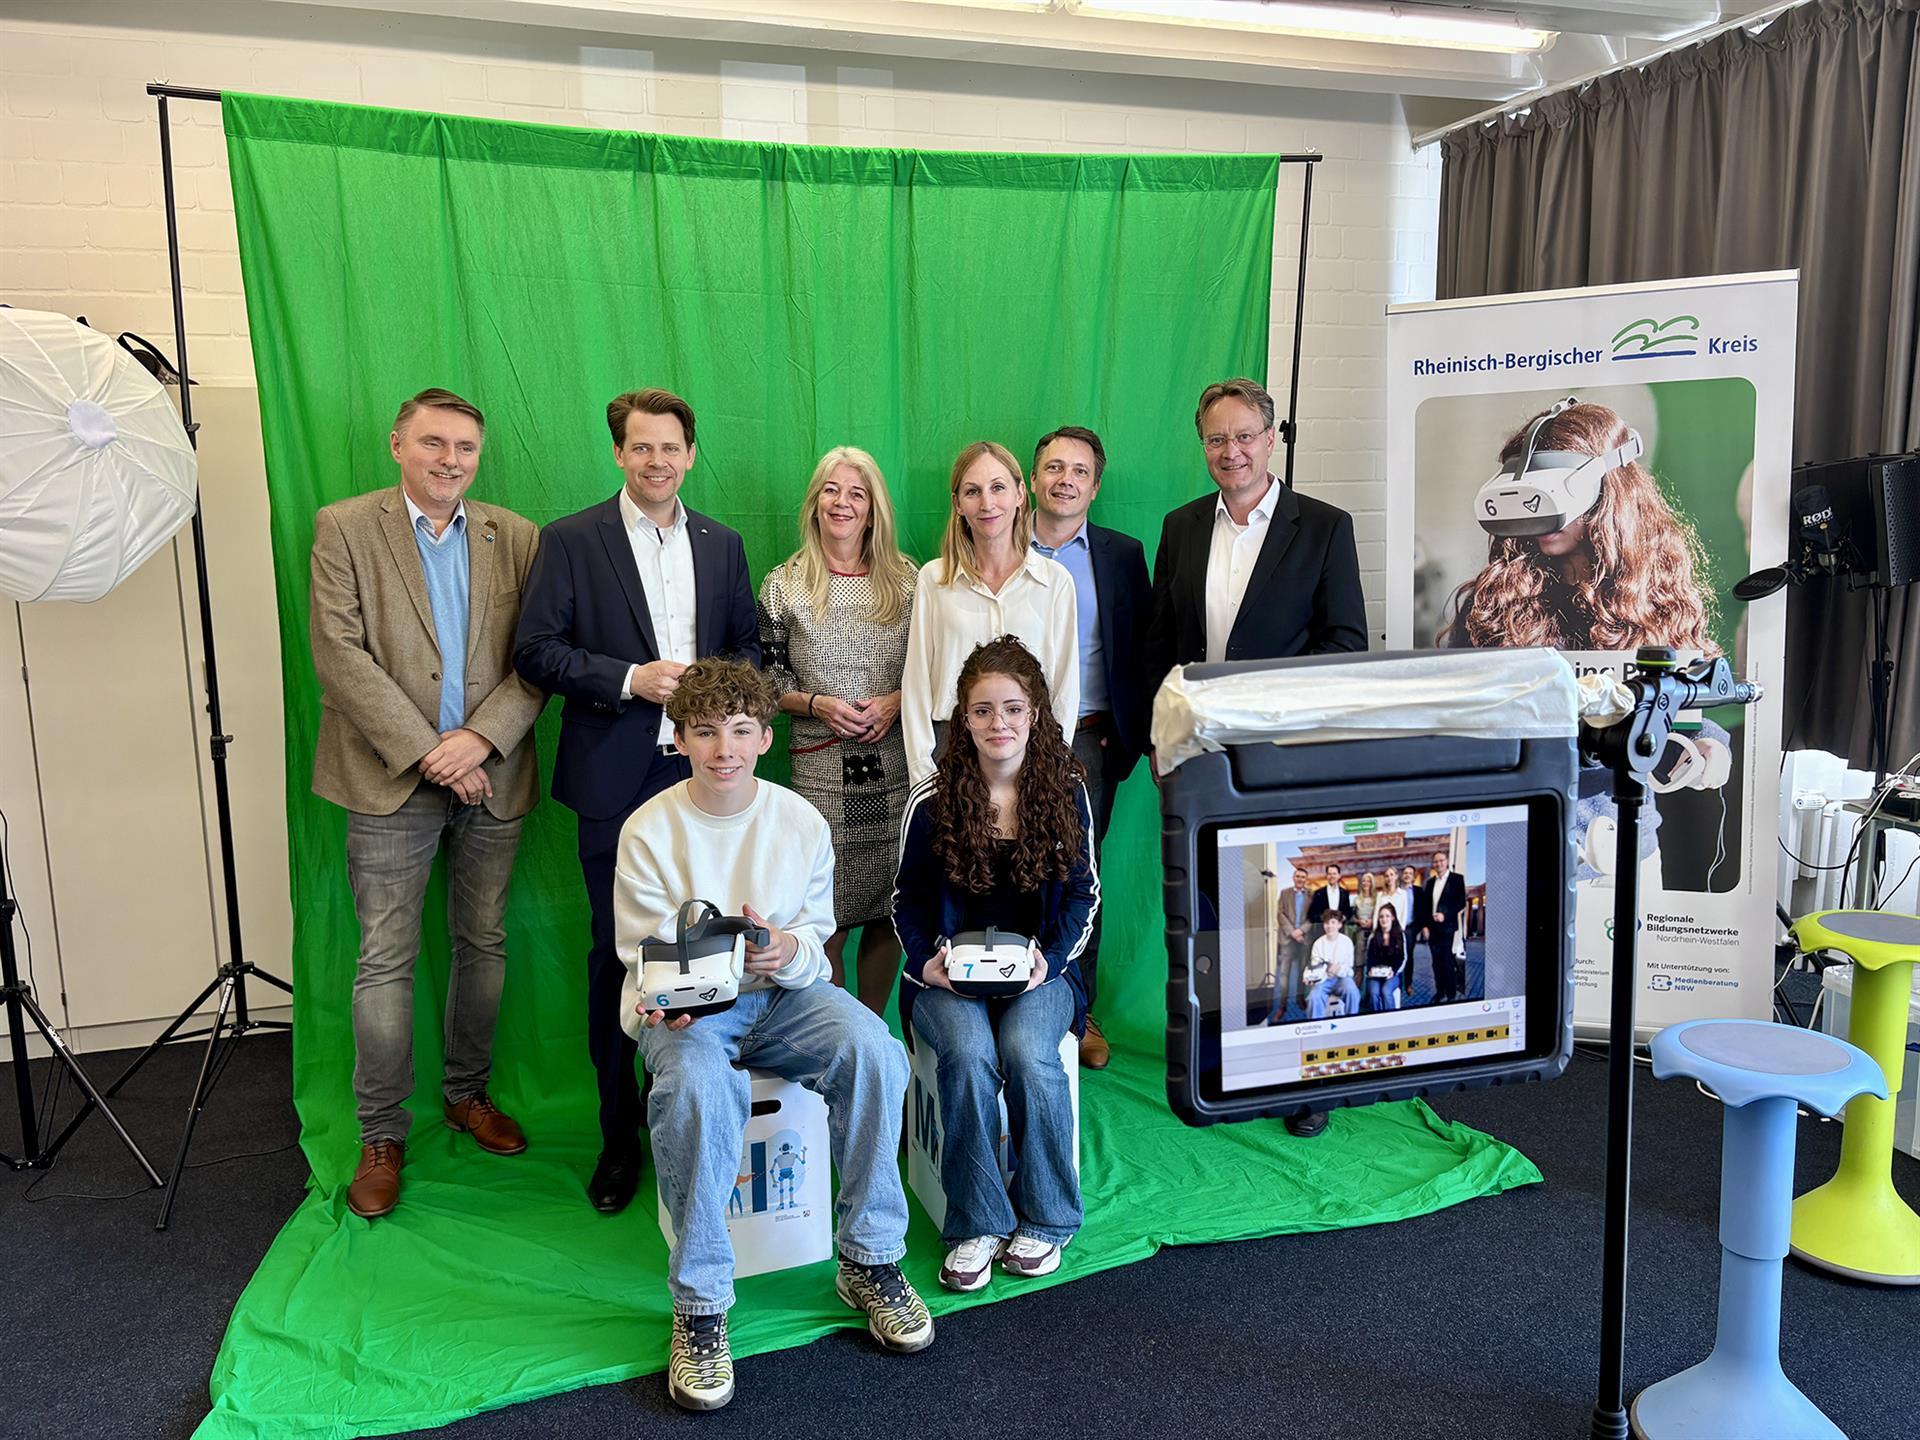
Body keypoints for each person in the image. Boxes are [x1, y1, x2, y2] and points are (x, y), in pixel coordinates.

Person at [615, 660, 933, 1411]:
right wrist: (677, 993)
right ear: (680, 739)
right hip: (693, 1012)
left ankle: (869, 1260)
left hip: (785, 997)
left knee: (874, 1050)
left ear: (765, 737)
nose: (723, 749)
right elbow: (642, 954)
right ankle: (700, 1306)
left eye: (740, 730)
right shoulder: (649, 829)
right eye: (705, 732)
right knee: (696, 1085)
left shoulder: (799, 820)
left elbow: (815, 938)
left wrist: (785, 949)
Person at [513, 387, 759, 1216]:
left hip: (709, 780)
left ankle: (698, 1118)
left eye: (671, 447)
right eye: (641, 446)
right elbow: (536, 650)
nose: (658, 460)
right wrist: (629, 680)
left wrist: (716, 698)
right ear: (619, 453)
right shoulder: (571, 540)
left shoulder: (723, 544)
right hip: (615, 780)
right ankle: (619, 1139)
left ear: (691, 455)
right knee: (622, 958)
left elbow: (748, 646)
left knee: (712, 944)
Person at [309, 387, 546, 1220]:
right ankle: (380, 1134)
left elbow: (538, 656)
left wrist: (479, 740)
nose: (451, 459)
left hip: (494, 772)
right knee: (385, 958)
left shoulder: (515, 536)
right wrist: (431, 754)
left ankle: (466, 1094)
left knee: (483, 942)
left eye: (465, 447)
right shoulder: (344, 528)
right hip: (387, 778)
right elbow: (338, 655)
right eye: (434, 443)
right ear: (397, 444)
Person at [894, 636, 1097, 1292]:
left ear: (1034, 713)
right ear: (964, 718)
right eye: (982, 711)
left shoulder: (1066, 793)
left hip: (1040, 974)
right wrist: (926, 963)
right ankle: (978, 1221)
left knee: (1028, 1051)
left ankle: (1049, 1215)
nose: (998, 724)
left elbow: (1084, 896)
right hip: (948, 978)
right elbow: (906, 901)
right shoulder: (932, 800)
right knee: (967, 1053)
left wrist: (1050, 963)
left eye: (1012, 709)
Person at [757, 446, 918, 1013]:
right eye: (831, 490)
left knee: (888, 908)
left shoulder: (908, 582)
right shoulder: (783, 585)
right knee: (826, 911)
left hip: (895, 768)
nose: (842, 502)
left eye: (856, 493)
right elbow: (767, 682)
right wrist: (817, 703)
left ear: (873, 509)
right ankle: (838, 1032)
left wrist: (896, 701)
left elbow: (932, 668)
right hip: (820, 771)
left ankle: (871, 1028)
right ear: (815, 502)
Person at [1027, 425, 1152, 1071]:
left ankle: (1081, 1011)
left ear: (1096, 486)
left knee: (1081, 875)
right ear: (1033, 479)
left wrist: (1125, 731)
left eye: (1079, 471)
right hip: (1009, 737)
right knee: (1005, 869)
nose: (1066, 480)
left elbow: (1142, 645)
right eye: (1054, 467)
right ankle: (1013, 999)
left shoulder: (1122, 555)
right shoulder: (996, 541)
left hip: (1088, 740)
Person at [1144, 376, 1366, 692]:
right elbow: (1160, 641)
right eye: (1216, 439)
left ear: (1270, 440)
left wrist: (1270, 701)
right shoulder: (1179, 526)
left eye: (1245, 436)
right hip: (1193, 717)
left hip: (1281, 717)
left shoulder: (1326, 528)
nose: (1231, 452)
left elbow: (1346, 644)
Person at [1439, 400, 1716, 653]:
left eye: (1559, 491)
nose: (1543, 513)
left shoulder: (1660, 601)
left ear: (1609, 490)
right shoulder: (1493, 605)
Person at [901, 442, 1077, 787]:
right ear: (957, 504)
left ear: (1020, 494)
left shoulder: (1055, 582)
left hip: (1032, 750)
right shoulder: (934, 580)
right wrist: (923, 772)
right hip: (950, 750)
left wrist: (1054, 764)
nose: (987, 503)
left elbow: (1064, 689)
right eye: (972, 491)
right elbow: (916, 684)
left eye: (998, 487)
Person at [1417, 848, 1469, 1004]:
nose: (1438, 863)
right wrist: (1425, 926)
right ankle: (1440, 992)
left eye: (1441, 860)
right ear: (1433, 864)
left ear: (1446, 862)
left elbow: (1460, 902)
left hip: (1447, 927)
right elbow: (1426, 907)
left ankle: (1451, 993)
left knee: (1446, 961)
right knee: (1436, 962)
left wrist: (1445, 915)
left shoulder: (1457, 879)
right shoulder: (1430, 883)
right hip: (1432, 928)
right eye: (1436, 861)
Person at [1267, 863, 1312, 1025]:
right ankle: (1282, 1005)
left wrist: (1301, 931)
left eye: (1303, 877)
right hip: (1287, 939)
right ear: (1293, 878)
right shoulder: (1284, 893)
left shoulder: (1311, 895)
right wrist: (1292, 932)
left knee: (1302, 972)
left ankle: (1300, 998)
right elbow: (1280, 914)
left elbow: (1313, 916)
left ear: (1306, 879)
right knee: (1284, 975)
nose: (1300, 879)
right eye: (1298, 876)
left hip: (1304, 939)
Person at [1304, 911, 1359, 1020]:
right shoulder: (1318, 944)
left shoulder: (1347, 942)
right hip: (1323, 980)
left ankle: (1352, 1021)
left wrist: (1338, 969)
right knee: (1314, 997)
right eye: (1326, 923)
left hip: (1342, 979)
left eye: (1333, 922)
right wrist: (1312, 977)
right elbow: (1315, 967)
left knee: (1353, 992)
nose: (1329, 926)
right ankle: (1317, 1025)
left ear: (1339, 925)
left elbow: (1349, 969)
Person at [1364, 903, 1406, 1012]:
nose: (1384, 919)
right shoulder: (1373, 936)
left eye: (1387, 916)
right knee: (1374, 993)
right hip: (1375, 975)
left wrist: (1394, 972)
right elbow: (1369, 957)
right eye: (1381, 916)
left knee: (1386, 991)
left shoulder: (1400, 935)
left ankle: (1390, 1018)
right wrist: (1370, 970)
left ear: (1393, 918)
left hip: (1393, 974)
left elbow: (1403, 958)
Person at [1307, 863, 1352, 929]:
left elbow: (1348, 912)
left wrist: (1343, 918)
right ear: (1326, 876)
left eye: (1334, 874)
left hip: (1340, 928)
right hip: (1322, 929)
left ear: (1339, 875)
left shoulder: (1345, 893)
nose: (1332, 876)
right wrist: (1323, 918)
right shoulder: (1318, 893)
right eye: (1329, 874)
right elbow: (1311, 914)